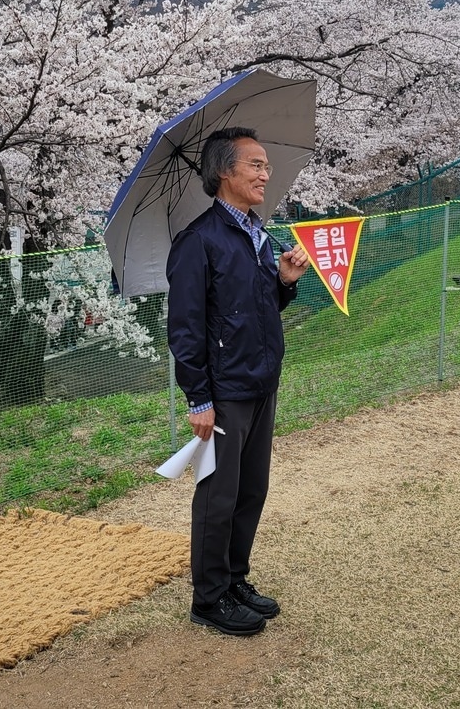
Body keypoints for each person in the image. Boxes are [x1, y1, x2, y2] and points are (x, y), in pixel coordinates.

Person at [165, 127, 310, 636]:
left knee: (252, 489)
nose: (265, 173)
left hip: (261, 382)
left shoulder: (257, 234)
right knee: (218, 495)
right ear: (225, 171)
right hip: (223, 392)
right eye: (255, 164)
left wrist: (284, 283)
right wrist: (199, 396)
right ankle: (208, 598)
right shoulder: (198, 243)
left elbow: (259, 307)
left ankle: (234, 579)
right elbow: (184, 329)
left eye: (267, 165)